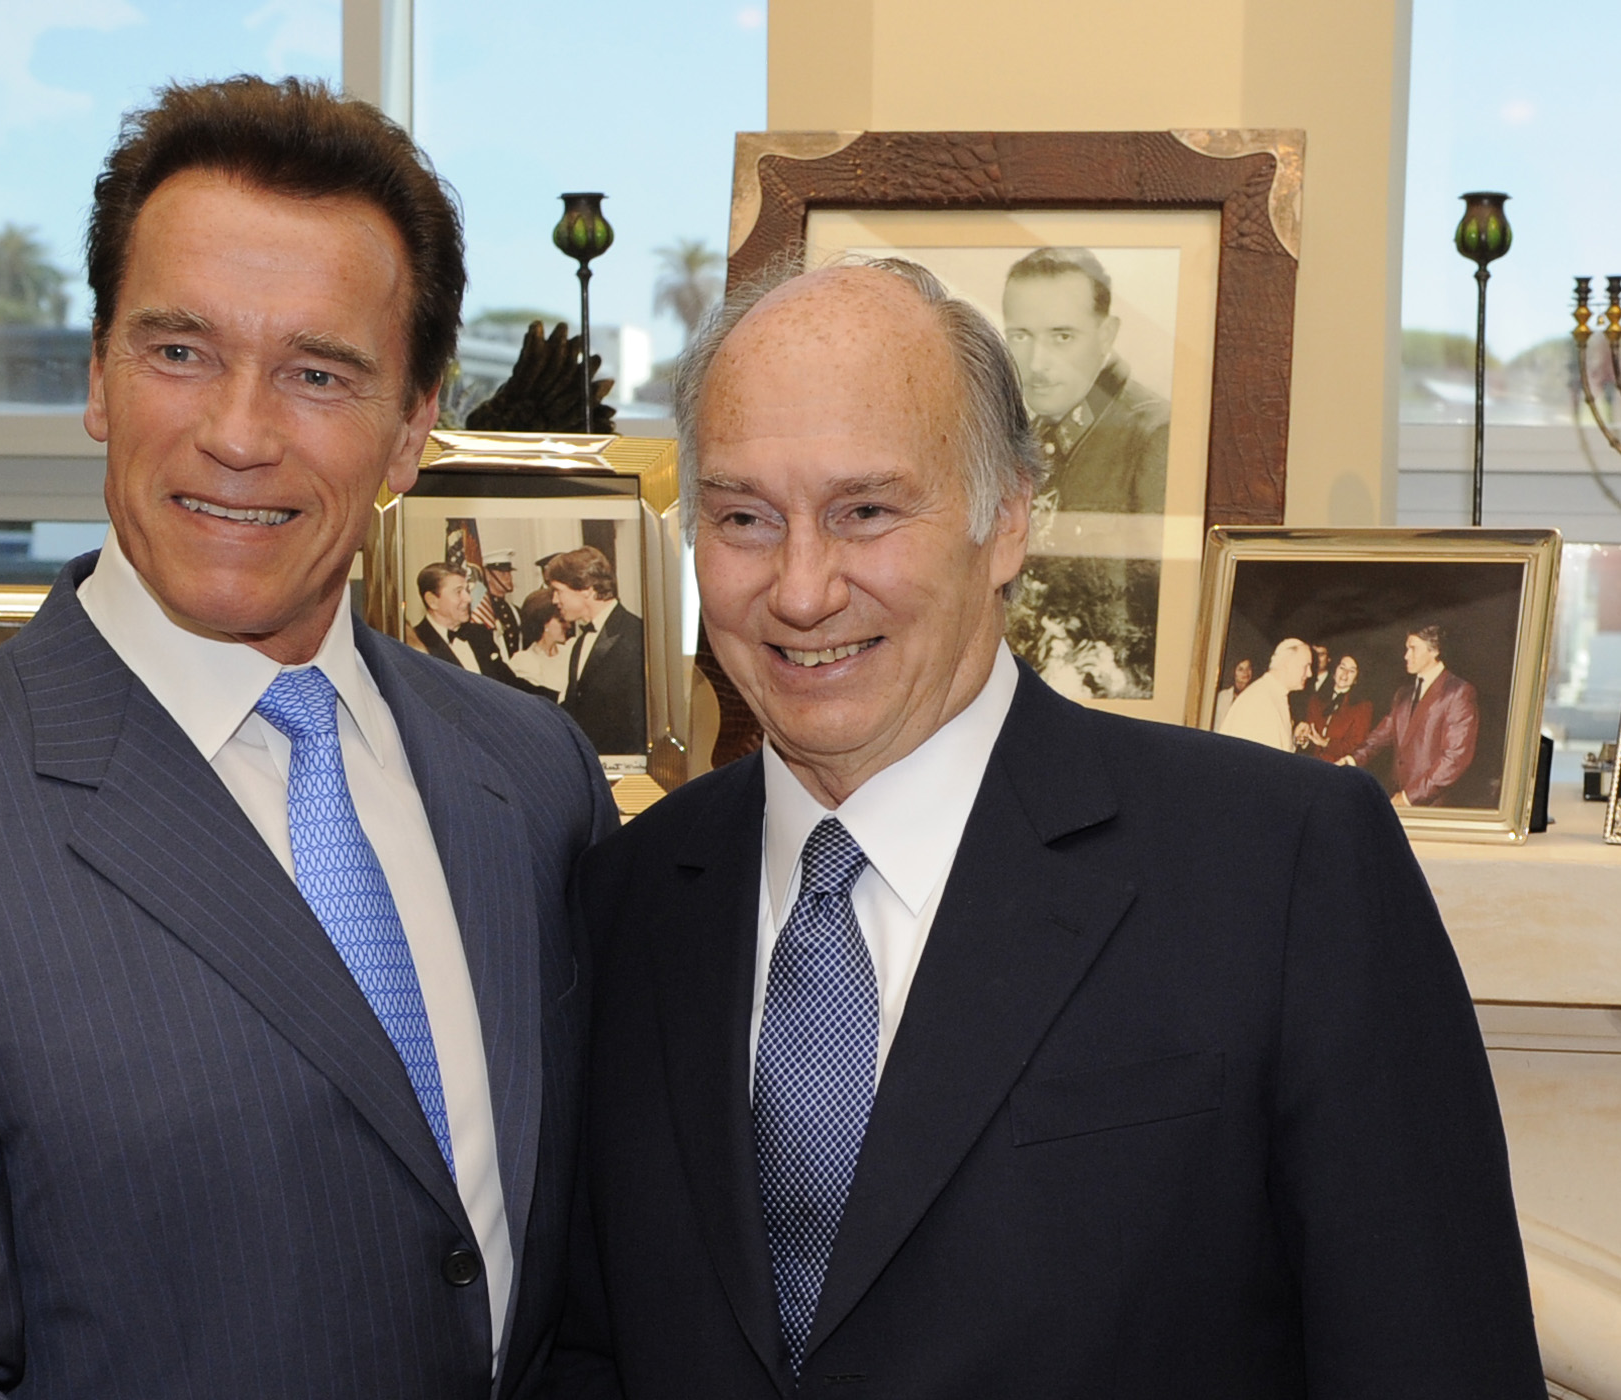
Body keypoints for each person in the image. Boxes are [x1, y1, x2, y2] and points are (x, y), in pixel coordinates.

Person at [0, 77, 616, 1400]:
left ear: (413, 428)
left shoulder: (532, 782)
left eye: (318, 372)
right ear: (96, 377)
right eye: (180, 350)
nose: (236, 434)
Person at [548, 255, 1540, 1396]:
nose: (803, 586)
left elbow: (1433, 1360)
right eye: (743, 518)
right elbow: (585, 1345)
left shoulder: (1283, 869)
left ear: (1008, 518)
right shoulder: (620, 899)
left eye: (866, 510)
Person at [1001, 246, 1170, 515]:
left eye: (1062, 337)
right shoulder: (1025, 437)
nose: (1036, 363)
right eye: (1021, 336)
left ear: (1106, 336)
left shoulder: (1156, 436)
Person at [1342, 624, 1480, 807]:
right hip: (1396, 797)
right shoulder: (1403, 694)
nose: (1406, 655)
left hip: (1431, 807)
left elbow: (1455, 759)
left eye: (1413, 648)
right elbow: (1382, 735)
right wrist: (1351, 760)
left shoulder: (1458, 692)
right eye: (1406, 648)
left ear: (1434, 651)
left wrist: (1409, 797)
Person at [547, 545, 646, 758]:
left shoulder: (636, 635)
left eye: (558, 591)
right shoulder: (580, 642)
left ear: (587, 589)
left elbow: (639, 726)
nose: (555, 600)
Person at [415, 559, 515, 679]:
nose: (468, 599)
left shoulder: (480, 634)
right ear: (432, 601)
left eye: (467, 590)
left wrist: (542, 695)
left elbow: (509, 683)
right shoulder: (416, 644)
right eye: (458, 592)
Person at [1215, 635, 1311, 752]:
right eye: (1305, 666)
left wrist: (1293, 740)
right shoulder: (1261, 701)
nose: (1310, 673)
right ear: (1287, 664)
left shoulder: (1274, 694)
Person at [1299, 653, 1374, 764]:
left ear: (1356, 679)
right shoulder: (1316, 700)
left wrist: (1326, 743)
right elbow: (1310, 735)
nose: (1345, 674)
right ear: (1334, 671)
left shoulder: (1363, 707)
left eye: (1352, 671)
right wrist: (1303, 739)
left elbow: (1357, 746)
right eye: (1342, 667)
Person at [507, 588, 573, 700]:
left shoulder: (571, 651)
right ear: (543, 622)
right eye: (561, 620)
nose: (568, 626)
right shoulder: (524, 661)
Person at [478, 548, 525, 654]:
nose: (509, 577)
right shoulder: (483, 611)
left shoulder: (514, 611)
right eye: (502, 573)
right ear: (488, 575)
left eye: (509, 572)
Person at [1211, 654, 1253, 729]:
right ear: (1234, 672)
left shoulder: (1255, 698)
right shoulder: (1222, 697)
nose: (1245, 672)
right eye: (1241, 669)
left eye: (1248, 668)